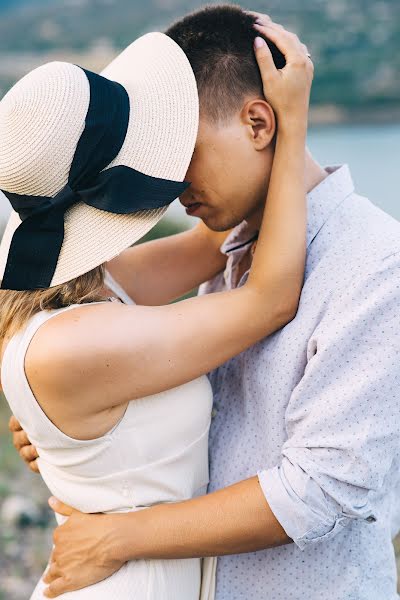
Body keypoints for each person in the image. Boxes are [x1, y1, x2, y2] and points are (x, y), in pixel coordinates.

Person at [12, 5, 400, 600]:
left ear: (259, 125)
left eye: (181, 152)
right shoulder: (230, 245)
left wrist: (121, 532)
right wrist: (92, 439)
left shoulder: (377, 263)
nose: (167, 183)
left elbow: (323, 489)